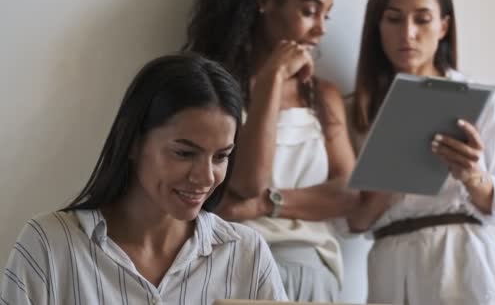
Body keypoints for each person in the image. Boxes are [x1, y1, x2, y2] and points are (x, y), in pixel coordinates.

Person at [0, 53, 287, 304]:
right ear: (134, 143)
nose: (206, 177)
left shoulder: (246, 254)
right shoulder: (49, 244)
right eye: (184, 153)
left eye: (221, 157)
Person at [347, 0, 495, 304]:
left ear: (443, 25)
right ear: (378, 26)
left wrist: (474, 178)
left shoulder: (481, 101)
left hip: (465, 263)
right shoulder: (357, 112)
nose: (408, 33)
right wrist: (390, 174)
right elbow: (350, 220)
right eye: (394, 18)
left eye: (423, 19)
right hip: (391, 265)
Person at [183, 0, 359, 301]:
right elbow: (249, 180)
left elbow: (348, 194)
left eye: (327, 15)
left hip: (315, 272)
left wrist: (263, 204)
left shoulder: (323, 96)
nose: (320, 27)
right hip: (238, 269)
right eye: (309, 10)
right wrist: (271, 80)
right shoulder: (214, 90)